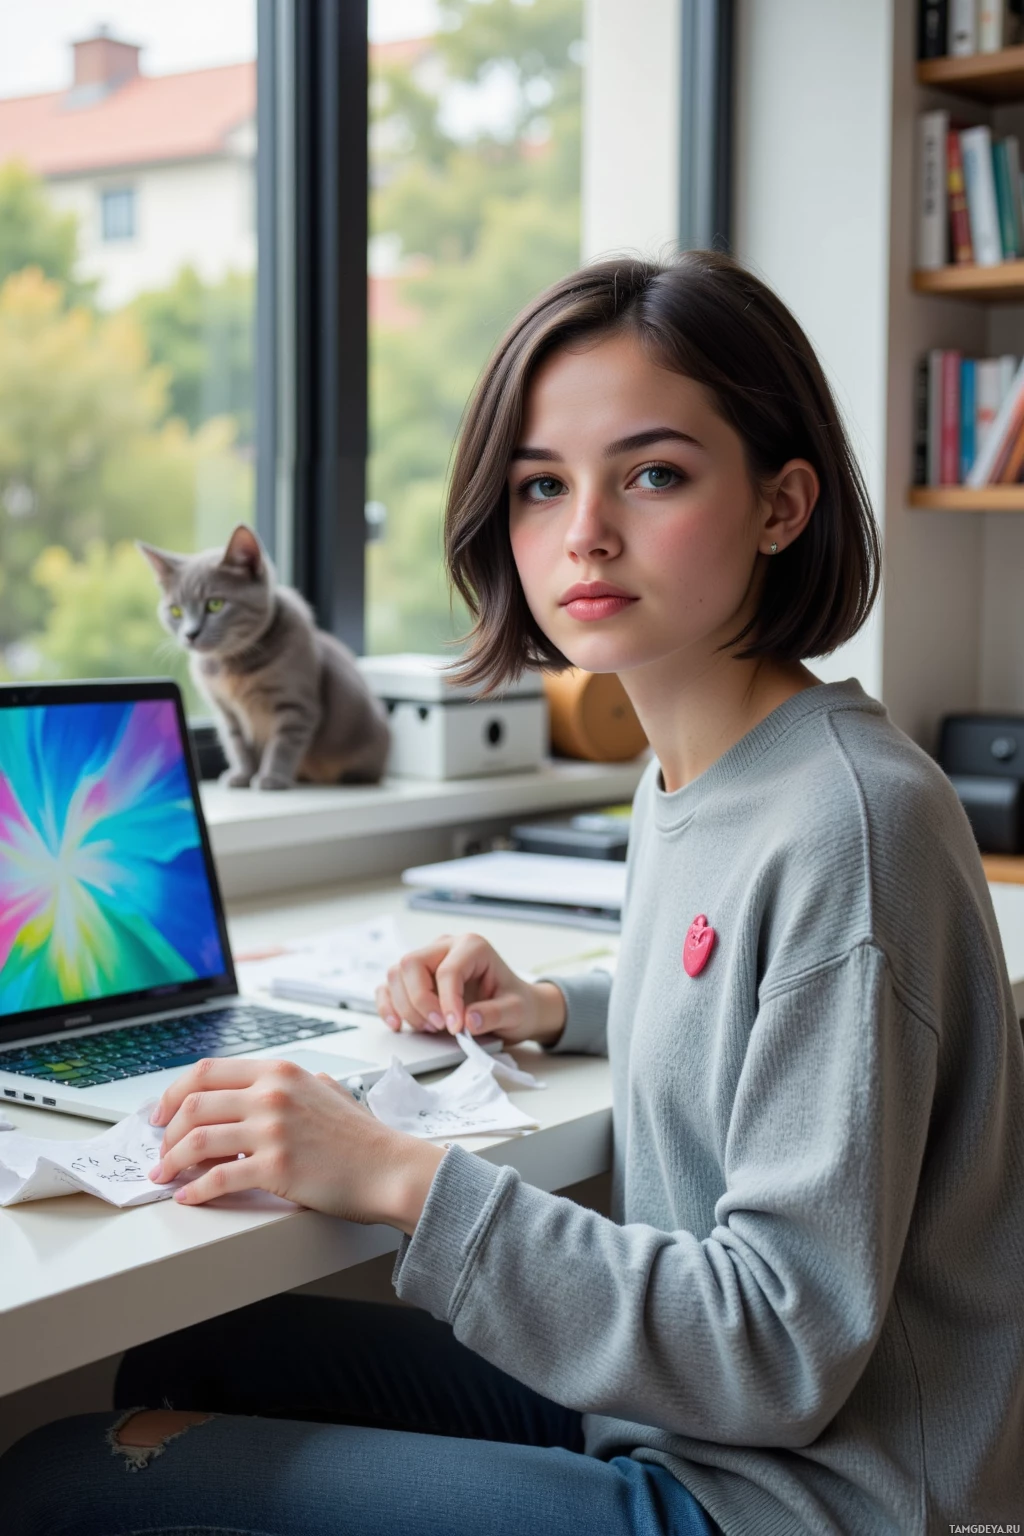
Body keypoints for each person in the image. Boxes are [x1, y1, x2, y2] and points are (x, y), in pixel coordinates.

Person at [4, 250, 1023, 1535]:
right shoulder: (697, 775)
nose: (583, 531)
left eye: (654, 474)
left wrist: (396, 1175)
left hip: (801, 1495)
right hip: (696, 1423)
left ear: (783, 505)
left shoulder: (851, 822)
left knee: (54, 1479)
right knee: (189, 1364)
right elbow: (757, 1002)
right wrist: (556, 1003)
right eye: (543, 485)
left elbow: (773, 1346)